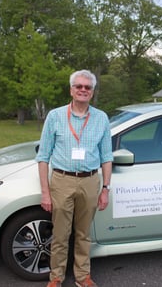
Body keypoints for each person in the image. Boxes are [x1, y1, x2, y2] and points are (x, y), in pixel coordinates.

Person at [36, 69, 113, 287]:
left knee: (83, 234)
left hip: (90, 181)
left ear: (92, 92)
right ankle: (56, 278)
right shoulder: (55, 116)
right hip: (62, 180)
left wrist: (106, 188)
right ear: (71, 90)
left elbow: (107, 157)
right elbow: (43, 157)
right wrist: (45, 192)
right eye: (78, 86)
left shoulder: (101, 118)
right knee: (60, 234)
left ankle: (82, 276)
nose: (83, 90)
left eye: (87, 87)